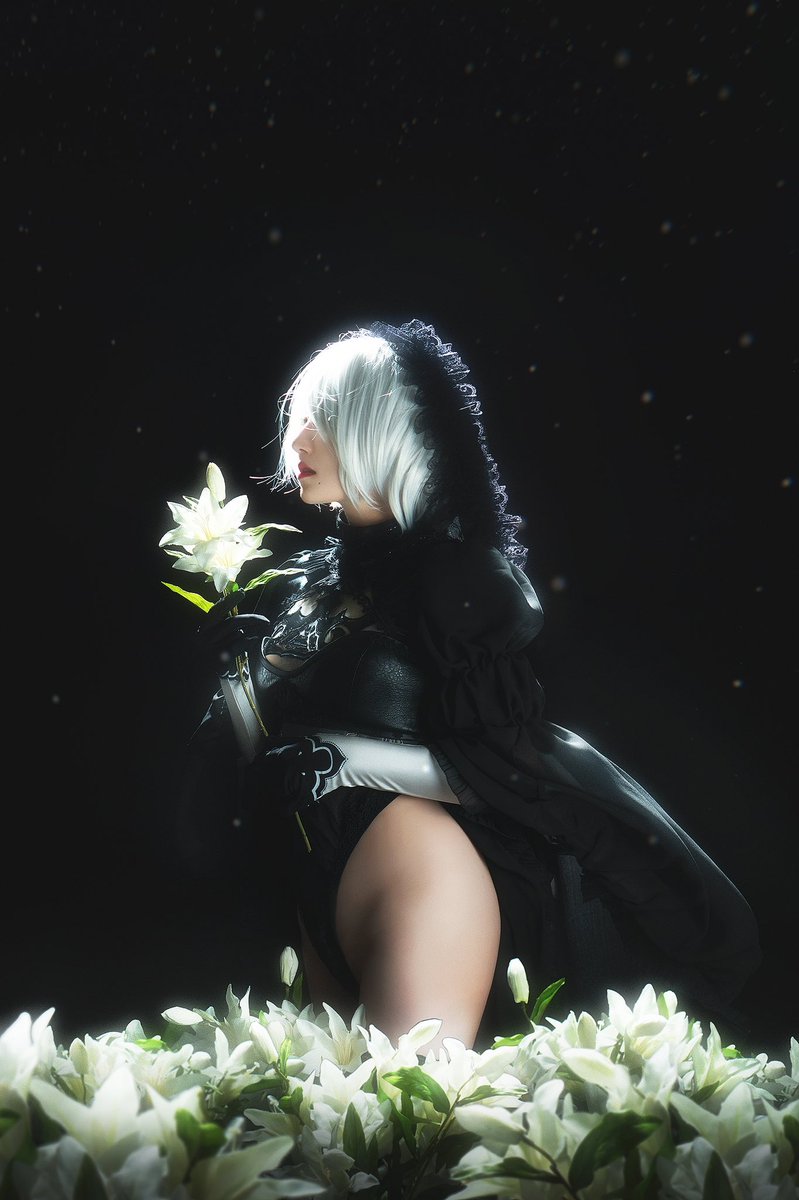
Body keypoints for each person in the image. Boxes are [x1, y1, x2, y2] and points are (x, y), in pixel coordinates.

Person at [176, 317, 761, 1053]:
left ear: (378, 427)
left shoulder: (460, 582)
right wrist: (243, 683)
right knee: (328, 1108)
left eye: (321, 418)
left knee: (400, 1108)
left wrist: (350, 760)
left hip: (420, 877)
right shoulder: (313, 580)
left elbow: (505, 769)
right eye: (298, 419)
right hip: (318, 876)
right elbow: (258, 750)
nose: (296, 441)